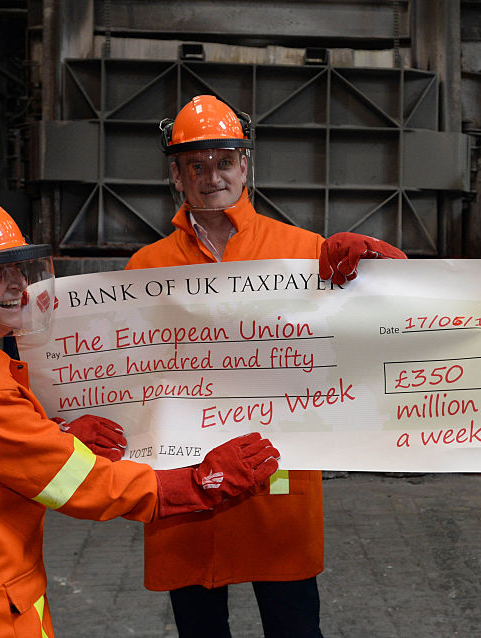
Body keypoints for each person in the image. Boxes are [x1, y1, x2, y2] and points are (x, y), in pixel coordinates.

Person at [0, 192, 281, 637]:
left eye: (17, 267)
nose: (18, 284)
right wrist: (197, 483)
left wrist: (48, 434)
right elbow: (84, 485)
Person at [126, 95, 405, 637]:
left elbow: (385, 316)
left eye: (225, 161)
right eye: (196, 166)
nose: (213, 177)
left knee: (293, 626)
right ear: (177, 176)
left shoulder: (304, 253)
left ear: (245, 165)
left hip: (276, 480)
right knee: (200, 630)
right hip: (189, 482)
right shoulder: (146, 269)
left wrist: (377, 262)